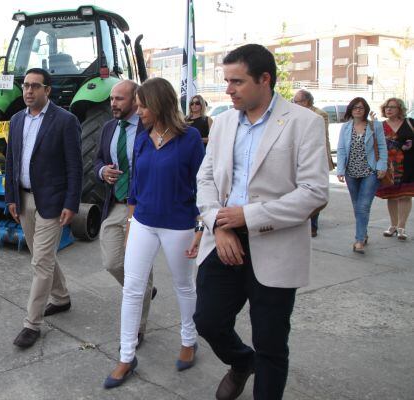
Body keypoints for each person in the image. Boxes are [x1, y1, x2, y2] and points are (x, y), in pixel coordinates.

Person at [193, 44, 329, 400]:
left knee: (270, 343)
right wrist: (218, 225)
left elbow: (314, 192)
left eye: (237, 81)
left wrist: (249, 217)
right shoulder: (222, 122)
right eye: (227, 81)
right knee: (207, 320)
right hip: (224, 236)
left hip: (276, 244)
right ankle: (241, 362)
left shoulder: (305, 123)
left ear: (265, 79)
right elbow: (205, 180)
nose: (228, 90)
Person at [104, 78, 205, 389]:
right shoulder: (143, 137)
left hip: (179, 224)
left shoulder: (189, 139)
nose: (139, 109)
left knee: (183, 286)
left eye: (143, 104)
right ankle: (126, 356)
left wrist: (201, 228)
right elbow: (135, 184)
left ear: (159, 104)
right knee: (132, 289)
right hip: (144, 222)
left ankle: (189, 341)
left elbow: (204, 185)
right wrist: (131, 220)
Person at [5, 68, 82, 349]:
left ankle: (32, 324)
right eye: (25, 86)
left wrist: (71, 203)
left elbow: (75, 166)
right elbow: (12, 162)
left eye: (35, 86)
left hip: (52, 201)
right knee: (42, 255)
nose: (28, 91)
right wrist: (11, 197)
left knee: (40, 261)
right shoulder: (15, 120)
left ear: (47, 90)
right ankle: (61, 297)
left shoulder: (65, 121)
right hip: (24, 200)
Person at [94, 80, 156, 350]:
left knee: (138, 268)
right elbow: (97, 159)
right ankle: (144, 289)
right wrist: (102, 171)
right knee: (111, 261)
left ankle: (138, 328)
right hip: (115, 203)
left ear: (135, 100)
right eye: (111, 99)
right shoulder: (109, 128)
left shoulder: (149, 127)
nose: (113, 104)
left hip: (143, 207)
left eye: (119, 99)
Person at [336, 97, 387, 253]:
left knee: (363, 206)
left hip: (370, 171)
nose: (358, 110)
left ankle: (359, 241)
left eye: (361, 107)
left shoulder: (374, 126)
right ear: (351, 110)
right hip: (351, 172)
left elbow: (383, 148)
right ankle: (363, 234)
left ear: (365, 110)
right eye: (355, 107)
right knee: (357, 206)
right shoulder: (345, 127)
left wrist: (381, 166)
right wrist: (340, 169)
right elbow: (341, 150)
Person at [292, 89, 335, 237]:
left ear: (306, 102)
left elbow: (318, 139)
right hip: (296, 157)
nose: (294, 104)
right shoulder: (294, 114)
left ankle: (313, 226)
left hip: (316, 157)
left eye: (297, 101)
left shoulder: (319, 114)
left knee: (313, 190)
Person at [375, 97, 414, 240]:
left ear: (400, 109)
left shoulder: (410, 123)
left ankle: (401, 227)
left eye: (392, 107)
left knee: (405, 195)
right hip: (388, 167)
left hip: (408, 165)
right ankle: (393, 225)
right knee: (391, 196)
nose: (389, 109)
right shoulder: (380, 126)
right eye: (386, 107)